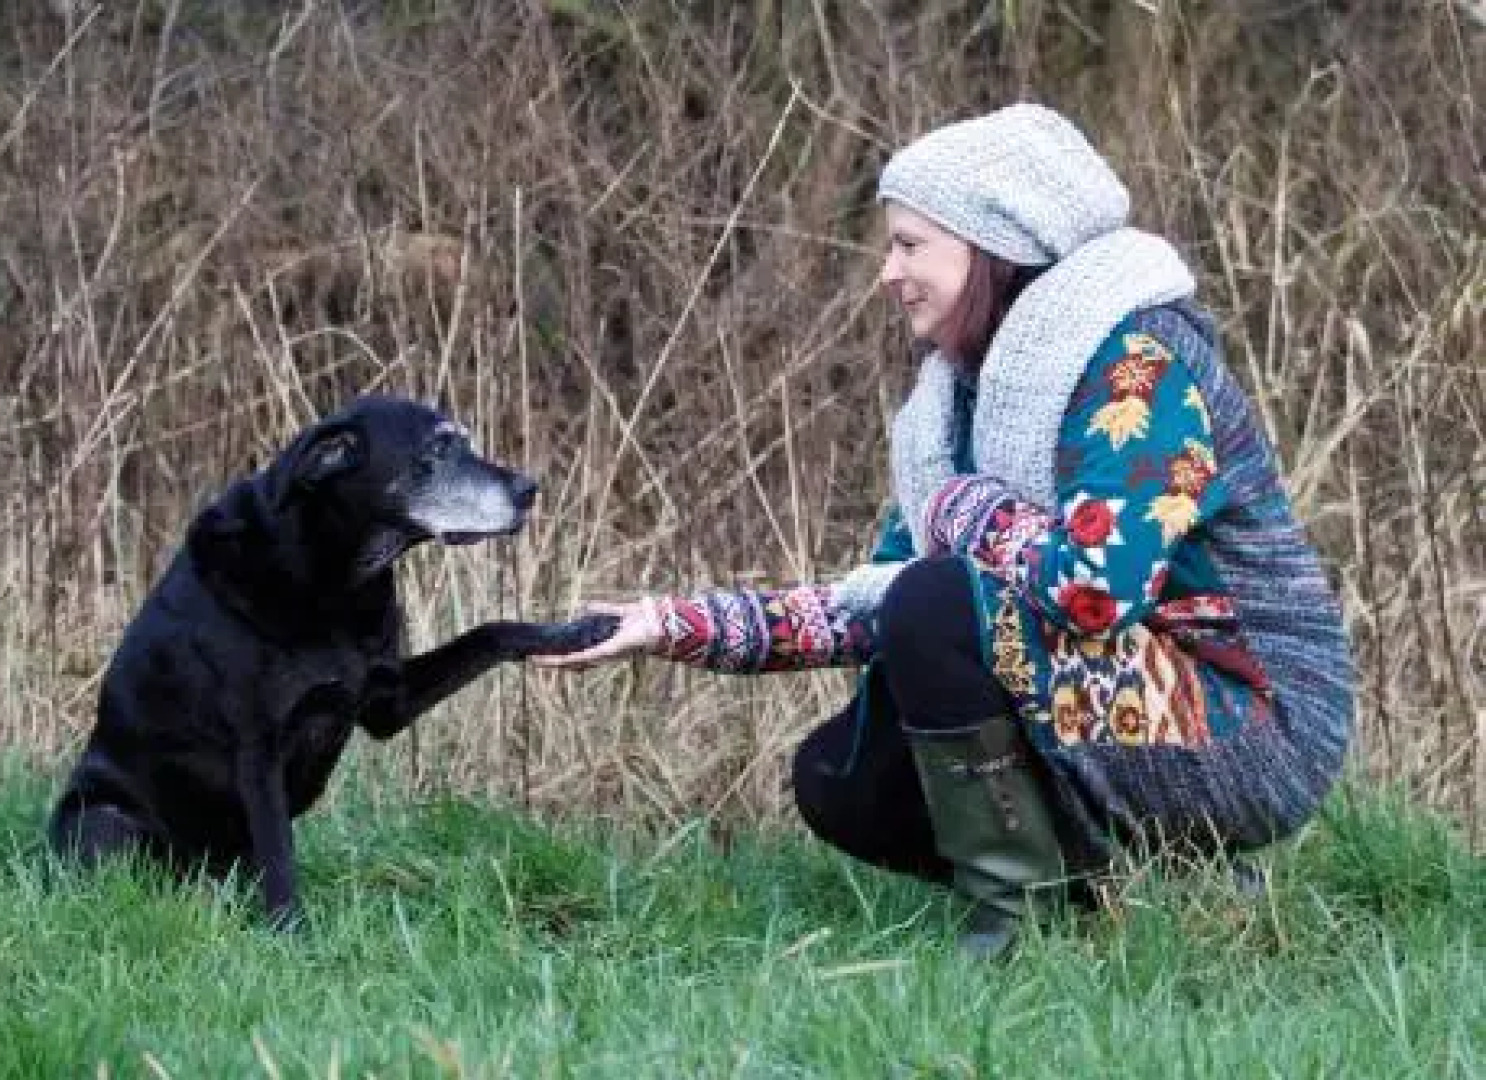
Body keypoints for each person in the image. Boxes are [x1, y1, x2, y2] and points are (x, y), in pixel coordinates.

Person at [533, 103, 1355, 958]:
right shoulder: (959, 405)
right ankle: (1128, 884)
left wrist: (964, 510)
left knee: (939, 600)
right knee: (842, 782)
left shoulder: (1138, 364)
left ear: (993, 245)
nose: (889, 272)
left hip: (1254, 721)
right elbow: (876, 603)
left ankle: (1015, 921)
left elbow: (1096, 590)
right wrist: (669, 623)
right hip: (1123, 694)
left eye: (910, 244)